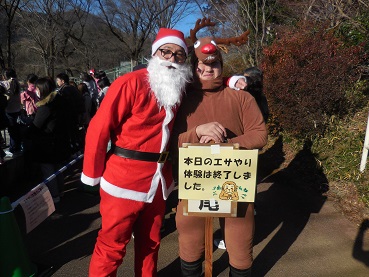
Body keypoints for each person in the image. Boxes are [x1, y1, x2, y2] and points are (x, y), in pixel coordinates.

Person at [81, 28, 192, 277]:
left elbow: (208, 83)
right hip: (123, 179)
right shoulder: (130, 82)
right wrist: (92, 173)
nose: (172, 59)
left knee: (151, 243)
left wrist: (233, 81)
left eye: (179, 55)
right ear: (155, 53)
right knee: (112, 246)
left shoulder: (180, 88)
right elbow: (99, 128)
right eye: (166, 52)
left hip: (159, 182)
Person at [171, 36, 268, 277]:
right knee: (190, 241)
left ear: (221, 66)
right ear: (192, 66)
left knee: (240, 244)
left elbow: (259, 134)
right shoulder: (179, 100)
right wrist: (196, 134)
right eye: (200, 65)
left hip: (234, 181)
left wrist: (224, 145)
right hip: (193, 181)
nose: (207, 69)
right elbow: (167, 142)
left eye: (213, 64)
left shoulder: (241, 97)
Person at [26, 77, 73, 203]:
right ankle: (60, 191)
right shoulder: (61, 100)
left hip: (48, 144)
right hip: (60, 141)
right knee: (58, 169)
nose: (36, 91)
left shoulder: (45, 107)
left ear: (42, 90)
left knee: (48, 171)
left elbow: (36, 127)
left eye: (37, 88)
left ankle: (54, 195)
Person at [1, 68, 22, 154]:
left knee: (12, 131)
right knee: (16, 129)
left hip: (9, 110)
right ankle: (17, 147)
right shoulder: (17, 82)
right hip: (17, 109)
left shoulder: (7, 83)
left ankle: (12, 148)